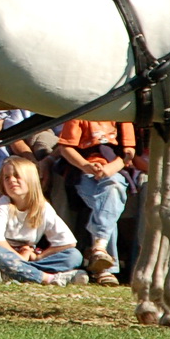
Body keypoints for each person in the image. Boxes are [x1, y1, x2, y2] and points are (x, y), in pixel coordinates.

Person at [53, 118, 136, 285]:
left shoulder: (121, 117)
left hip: (113, 170)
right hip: (84, 171)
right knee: (108, 203)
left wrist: (109, 169)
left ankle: (100, 256)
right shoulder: (83, 113)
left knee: (112, 189)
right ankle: (103, 260)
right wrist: (85, 166)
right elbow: (65, 147)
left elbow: (128, 152)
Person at [0, 155, 87, 284]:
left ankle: (14, 274)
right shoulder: (3, 204)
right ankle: (48, 278)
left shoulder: (42, 207)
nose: (11, 180)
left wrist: (39, 256)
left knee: (74, 255)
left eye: (17, 176)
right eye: (6, 177)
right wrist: (20, 257)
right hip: (7, 254)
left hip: (29, 256)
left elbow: (68, 242)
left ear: (31, 180)